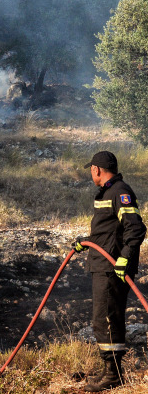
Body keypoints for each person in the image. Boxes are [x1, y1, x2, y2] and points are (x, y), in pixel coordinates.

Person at [73, 151, 146, 391]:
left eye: (91, 169)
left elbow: (135, 229)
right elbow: (108, 231)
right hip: (103, 265)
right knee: (104, 319)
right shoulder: (108, 192)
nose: (90, 173)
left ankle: (113, 376)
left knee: (105, 320)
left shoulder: (120, 192)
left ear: (97, 169)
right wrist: (86, 241)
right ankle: (111, 372)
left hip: (111, 269)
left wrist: (124, 259)